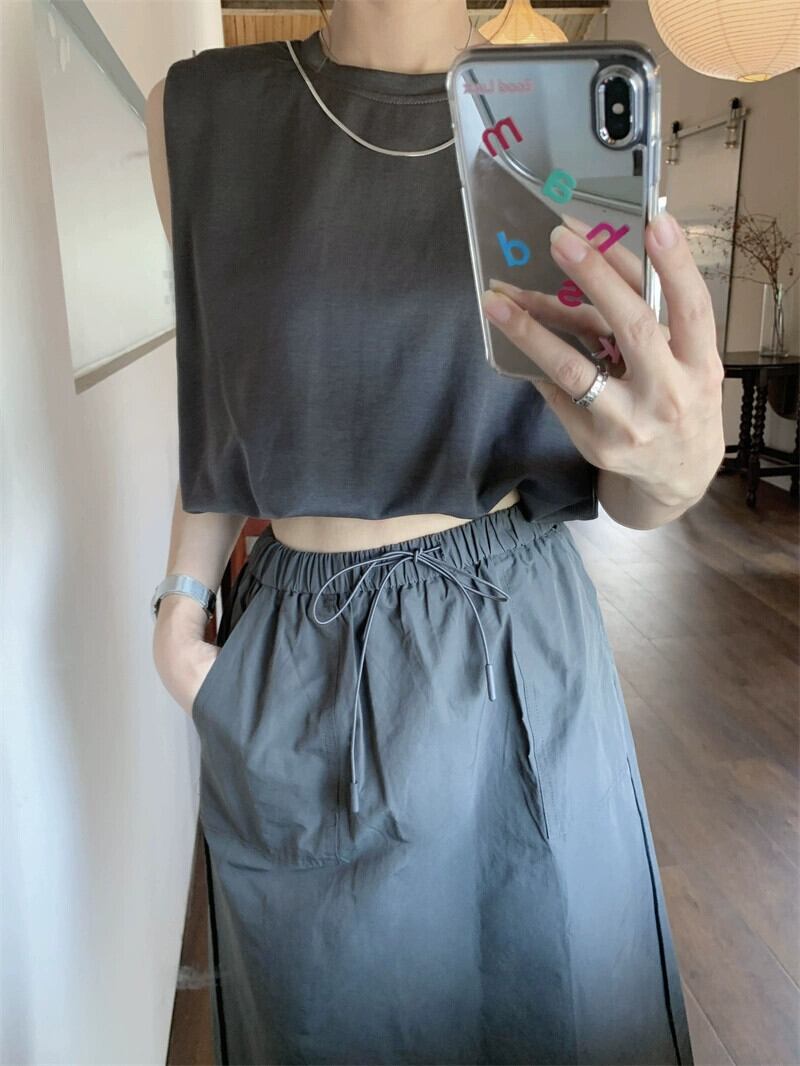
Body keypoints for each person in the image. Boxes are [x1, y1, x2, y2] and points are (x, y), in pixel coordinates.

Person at [146, 2, 723, 1062]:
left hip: (519, 641)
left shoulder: (561, 121)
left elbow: (630, 477)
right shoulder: (199, 114)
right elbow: (216, 395)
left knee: (557, 1014)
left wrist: (678, 472)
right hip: (303, 657)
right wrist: (178, 613)